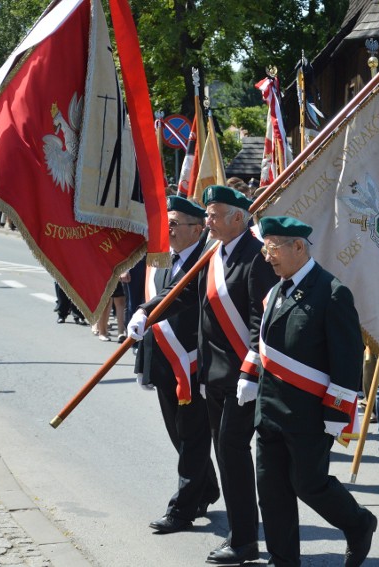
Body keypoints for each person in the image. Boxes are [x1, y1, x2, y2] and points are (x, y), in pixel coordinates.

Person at [127, 185, 277, 564]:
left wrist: (252, 366)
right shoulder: (215, 254)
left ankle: (246, 540)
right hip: (213, 377)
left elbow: (263, 318)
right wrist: (144, 311)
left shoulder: (255, 256)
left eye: (213, 215)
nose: (207, 221)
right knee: (228, 456)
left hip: (243, 377)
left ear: (238, 219)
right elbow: (180, 293)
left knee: (235, 455)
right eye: (206, 215)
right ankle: (243, 537)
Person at [253, 216, 377, 567]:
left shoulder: (332, 292)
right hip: (270, 411)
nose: (267, 256)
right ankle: (283, 561)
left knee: (309, 484)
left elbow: (347, 360)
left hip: (308, 415)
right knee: (272, 492)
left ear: (298, 247)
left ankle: (358, 523)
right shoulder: (276, 291)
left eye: (273, 246)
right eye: (265, 247)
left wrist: (338, 416)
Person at [132, 196, 220, 534]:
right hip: (164, 362)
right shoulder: (162, 258)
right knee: (178, 436)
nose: (167, 229)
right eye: (166, 223)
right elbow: (152, 311)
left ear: (197, 229)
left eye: (174, 224)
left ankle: (182, 510)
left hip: (195, 365)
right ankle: (207, 488)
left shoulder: (208, 261)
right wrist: (145, 362)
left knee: (194, 437)